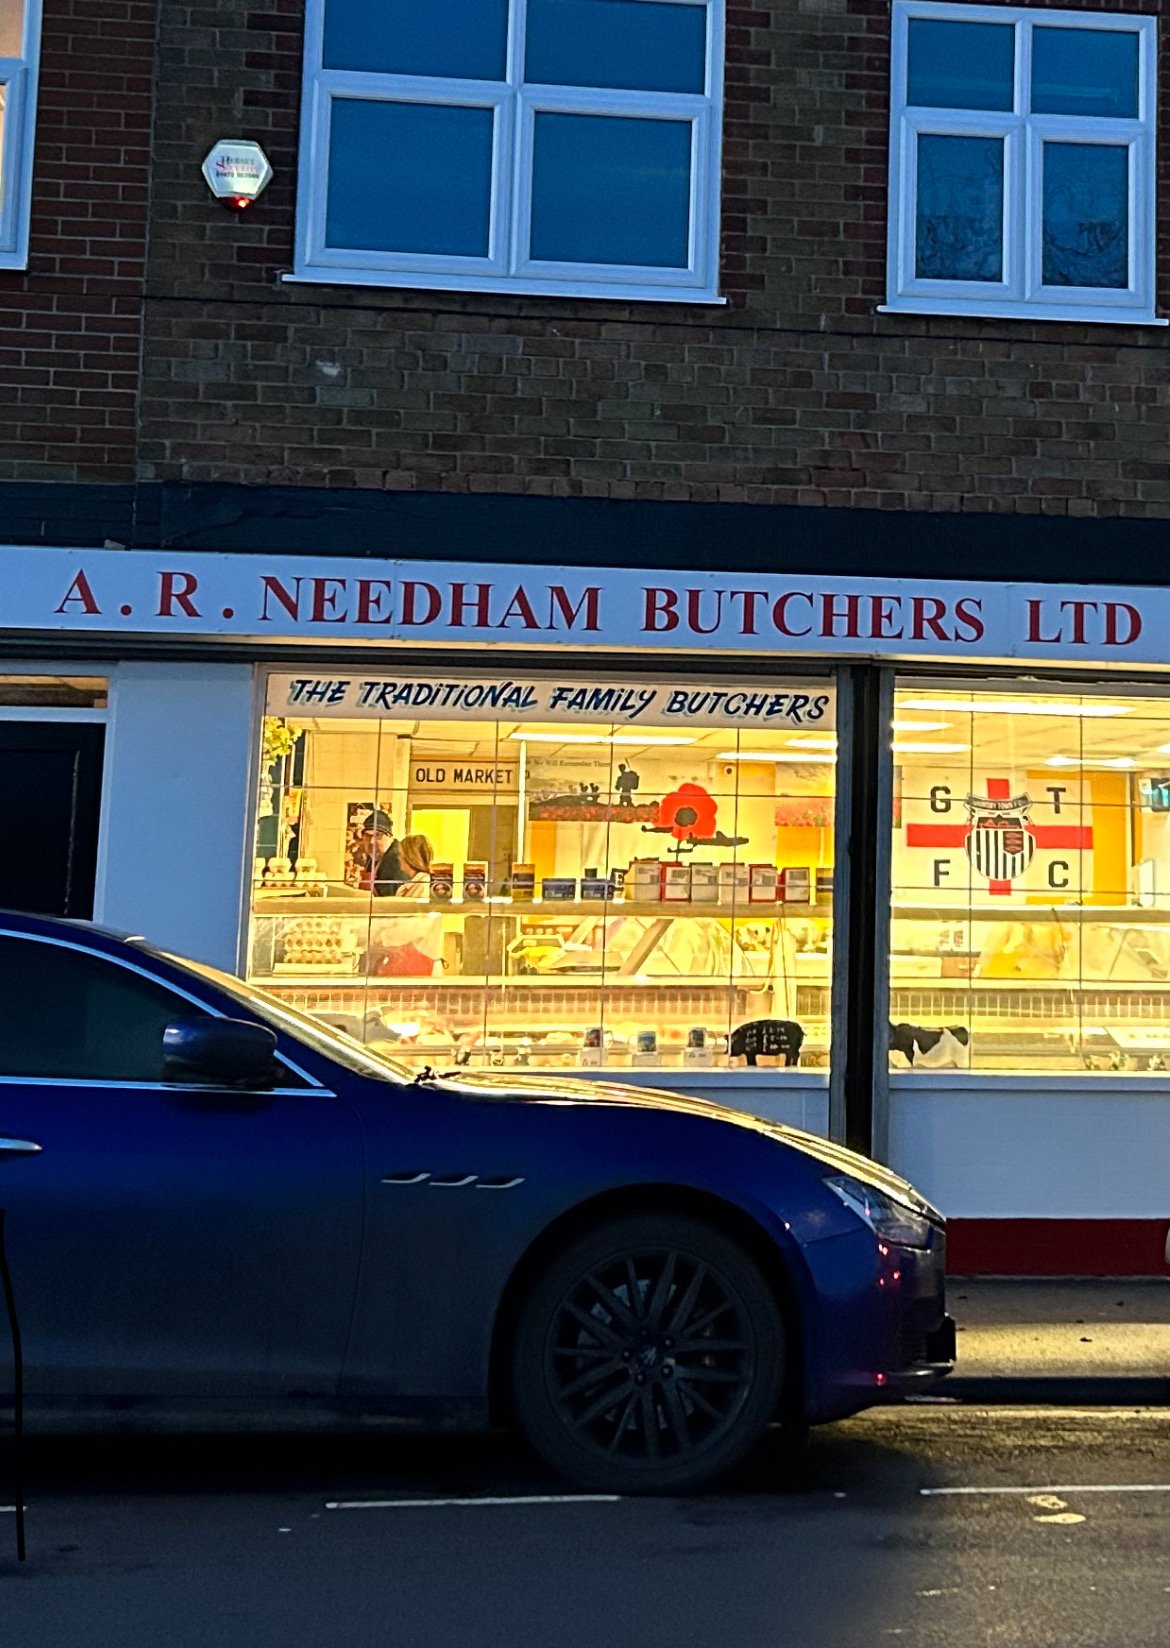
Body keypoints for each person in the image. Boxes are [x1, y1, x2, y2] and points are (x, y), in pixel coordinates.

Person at [365, 833, 442, 977]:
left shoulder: (426, 886)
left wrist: (383, 937)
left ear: (410, 857)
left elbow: (417, 926)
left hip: (422, 963)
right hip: (406, 961)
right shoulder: (408, 887)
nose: (399, 858)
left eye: (401, 855)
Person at [357, 809, 404, 896]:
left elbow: (390, 898)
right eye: (368, 836)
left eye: (378, 835)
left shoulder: (398, 859)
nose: (372, 841)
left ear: (389, 836)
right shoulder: (374, 855)